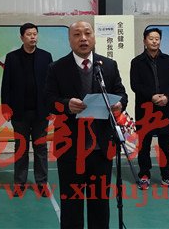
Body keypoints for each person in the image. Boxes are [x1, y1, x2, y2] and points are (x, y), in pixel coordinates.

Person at [45, 21, 128, 229]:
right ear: (69, 40)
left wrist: (119, 104)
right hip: (70, 148)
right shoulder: (57, 68)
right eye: (77, 34)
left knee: (99, 205)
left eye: (87, 33)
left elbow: (121, 93)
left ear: (94, 37)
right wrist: (66, 105)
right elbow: (48, 100)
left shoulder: (107, 65)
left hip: (101, 148)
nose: (83, 38)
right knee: (71, 205)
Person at [1, 23, 53, 195]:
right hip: (19, 112)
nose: (33, 37)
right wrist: (5, 108)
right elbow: (6, 85)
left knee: (41, 148)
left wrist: (52, 107)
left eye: (35, 34)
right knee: (21, 148)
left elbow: (51, 84)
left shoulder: (46, 56)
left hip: (41, 112)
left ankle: (42, 183)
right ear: (21, 37)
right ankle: (19, 184)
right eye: (29, 34)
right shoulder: (12, 57)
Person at [130, 27, 169, 191]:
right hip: (146, 109)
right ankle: (144, 175)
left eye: (157, 38)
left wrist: (166, 97)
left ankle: (167, 176)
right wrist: (152, 96)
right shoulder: (137, 62)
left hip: (166, 108)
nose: (154, 41)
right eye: (151, 38)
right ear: (144, 41)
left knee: (165, 145)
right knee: (144, 144)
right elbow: (135, 85)